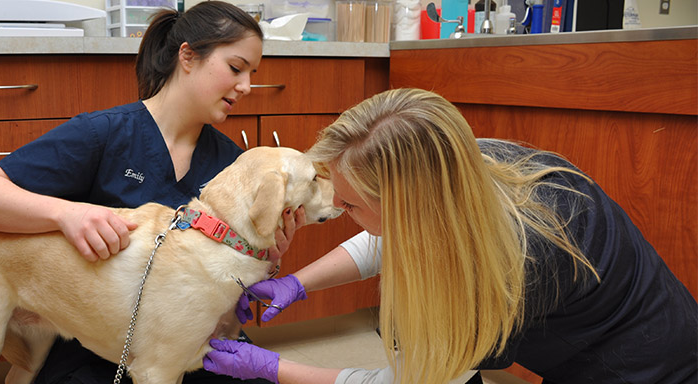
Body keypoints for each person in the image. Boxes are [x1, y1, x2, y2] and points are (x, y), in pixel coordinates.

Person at [201, 88, 698, 384]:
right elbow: (395, 229)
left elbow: (426, 380)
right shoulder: (457, 161)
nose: (339, 210)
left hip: (644, 367)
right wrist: (300, 283)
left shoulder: (516, 260)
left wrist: (275, 369)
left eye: (350, 205)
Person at [0, 2, 304, 383]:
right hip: (93, 331)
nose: (246, 86)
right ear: (187, 56)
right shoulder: (103, 133)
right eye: (236, 68)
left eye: (252, 73)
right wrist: (68, 214)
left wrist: (266, 257)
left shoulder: (233, 164)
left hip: (185, 335)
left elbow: (226, 283)